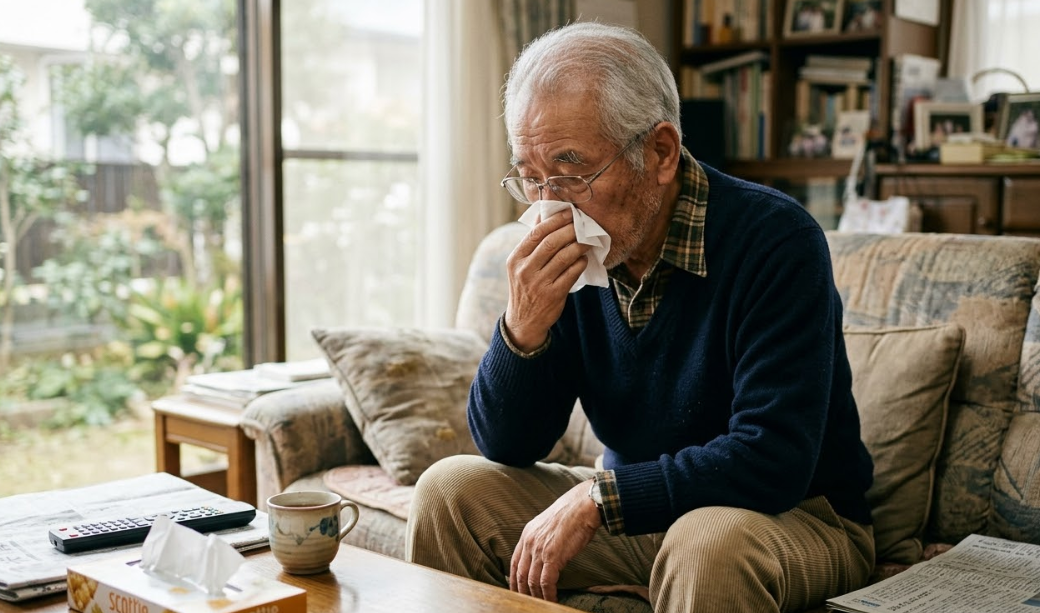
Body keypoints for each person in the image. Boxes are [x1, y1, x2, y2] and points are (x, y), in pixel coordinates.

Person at [405, 22, 875, 613]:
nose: (550, 203)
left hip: (796, 515)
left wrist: (601, 498)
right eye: (530, 175)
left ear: (660, 152)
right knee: (449, 491)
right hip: (642, 515)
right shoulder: (570, 249)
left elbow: (772, 457)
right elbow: (508, 444)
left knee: (705, 543)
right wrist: (522, 331)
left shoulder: (776, 239)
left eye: (572, 170)